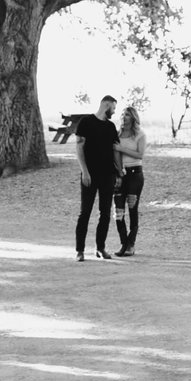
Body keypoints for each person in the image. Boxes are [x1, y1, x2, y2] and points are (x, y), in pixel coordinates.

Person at [68, 95, 121, 261]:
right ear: (106, 105)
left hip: (108, 175)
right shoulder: (86, 122)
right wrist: (84, 171)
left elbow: (115, 150)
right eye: (113, 107)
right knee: (85, 212)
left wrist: (119, 172)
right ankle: (80, 251)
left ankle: (100, 248)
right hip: (89, 175)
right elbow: (79, 147)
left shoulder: (111, 127)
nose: (114, 111)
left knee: (105, 213)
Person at [114, 105, 147, 257]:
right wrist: (119, 172)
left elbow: (139, 155)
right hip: (121, 174)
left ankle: (131, 245)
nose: (124, 117)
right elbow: (115, 155)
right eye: (122, 114)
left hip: (135, 174)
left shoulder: (140, 134)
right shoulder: (117, 134)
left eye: (127, 115)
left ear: (133, 117)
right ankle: (124, 243)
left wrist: (122, 149)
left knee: (132, 208)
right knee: (118, 212)